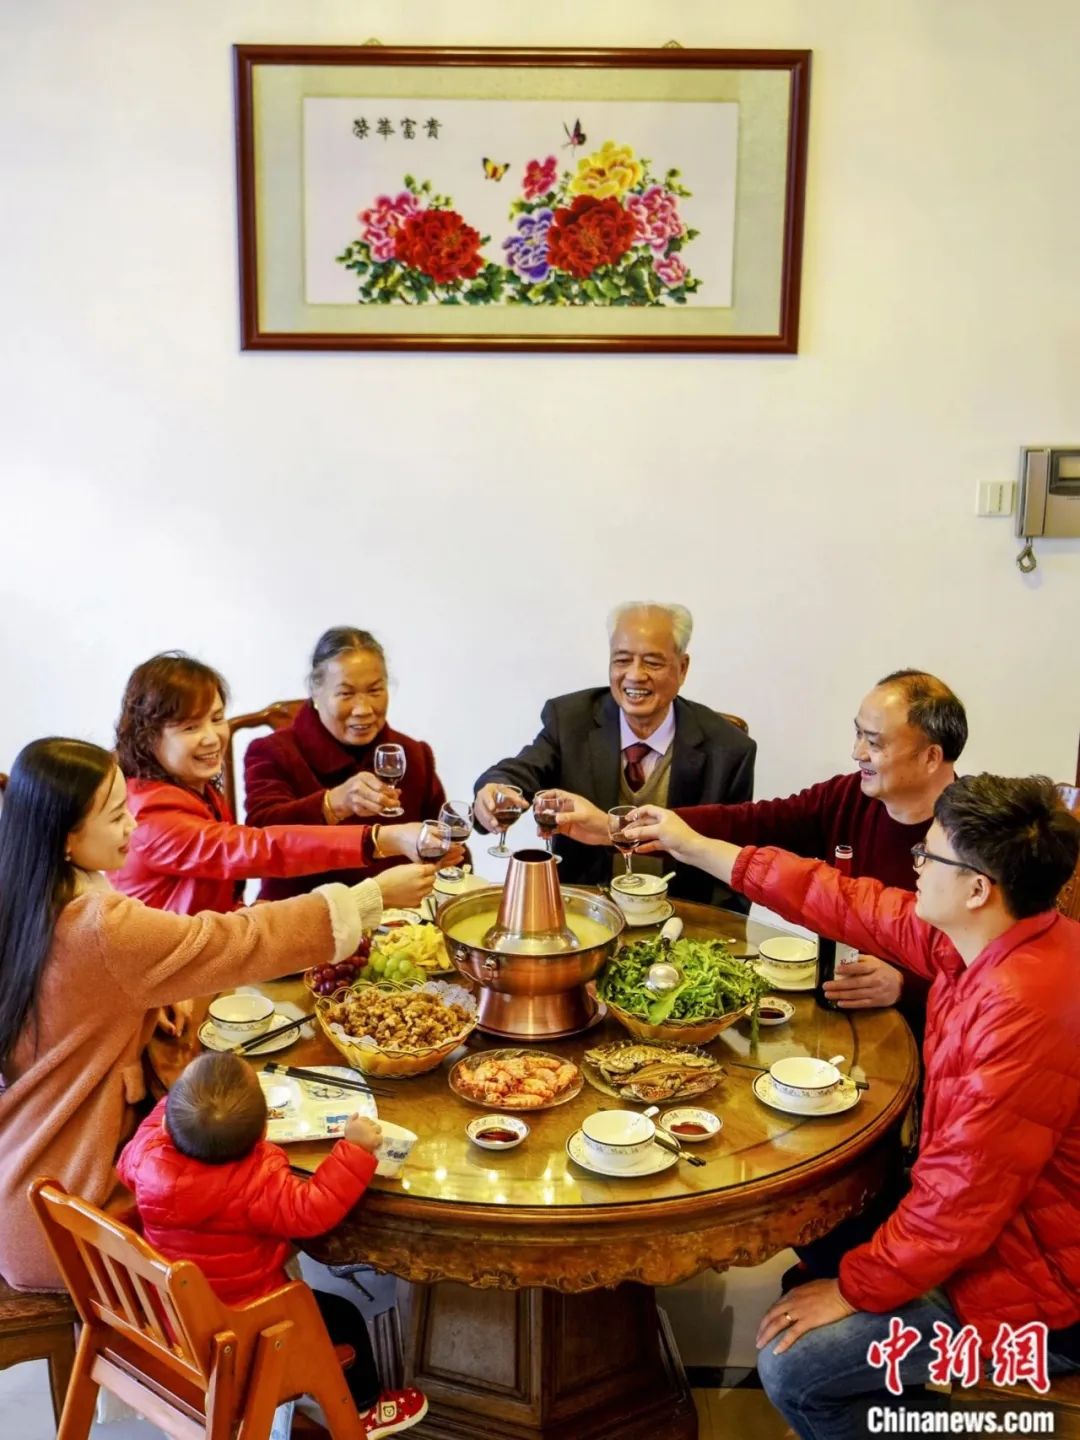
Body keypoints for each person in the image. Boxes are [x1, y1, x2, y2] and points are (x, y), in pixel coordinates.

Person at [623, 777, 1080, 1437]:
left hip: (1041, 1289)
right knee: (815, 1215)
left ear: (979, 888)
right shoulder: (992, 938)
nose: (914, 867)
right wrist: (691, 844)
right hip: (998, 1229)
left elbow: (956, 1206)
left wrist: (851, 1290)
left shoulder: (1020, 1011)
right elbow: (844, 899)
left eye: (928, 856)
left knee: (795, 1366)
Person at [0, 737, 384, 1291]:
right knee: (241, 1184)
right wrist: (366, 900)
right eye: (116, 816)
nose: (132, 824)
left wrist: (149, 998)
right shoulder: (99, 925)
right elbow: (232, 940)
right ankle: (256, 1319)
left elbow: (77, 1004)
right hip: (74, 1212)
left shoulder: (25, 896)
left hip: (22, 1178)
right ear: (66, 839)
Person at [553, 668, 967, 1011]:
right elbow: (753, 822)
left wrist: (907, 984)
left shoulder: (970, 839)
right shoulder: (848, 796)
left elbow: (983, 966)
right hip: (834, 1000)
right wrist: (618, 827)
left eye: (873, 743)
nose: (857, 752)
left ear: (931, 757)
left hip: (924, 1030)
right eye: (858, 734)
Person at [117, 1052, 427, 1439]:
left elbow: (147, 1133)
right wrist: (355, 1151)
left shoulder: (144, 1159)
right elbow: (312, 1208)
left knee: (326, 1308)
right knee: (343, 1316)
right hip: (249, 1332)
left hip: (173, 1320)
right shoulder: (258, 1183)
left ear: (167, 1124)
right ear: (264, 1131)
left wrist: (175, 1104)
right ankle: (366, 1408)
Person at [112, 652, 449, 916]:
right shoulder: (150, 815)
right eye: (190, 727)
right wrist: (381, 839)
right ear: (147, 736)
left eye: (217, 718)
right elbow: (262, 846)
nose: (212, 738)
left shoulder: (192, 787)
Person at [472, 602, 756, 908]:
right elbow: (524, 769)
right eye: (622, 660)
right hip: (585, 909)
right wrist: (495, 790)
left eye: (652, 663)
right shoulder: (571, 720)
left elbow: (736, 873)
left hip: (679, 914)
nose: (634, 675)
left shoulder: (728, 749)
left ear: (683, 668)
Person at [245, 627, 450, 902]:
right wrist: (334, 803)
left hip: (402, 916)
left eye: (375, 690)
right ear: (315, 693)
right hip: (305, 912)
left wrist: (446, 854)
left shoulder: (413, 754)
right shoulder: (273, 752)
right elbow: (259, 839)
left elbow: (444, 842)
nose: (363, 709)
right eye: (345, 693)